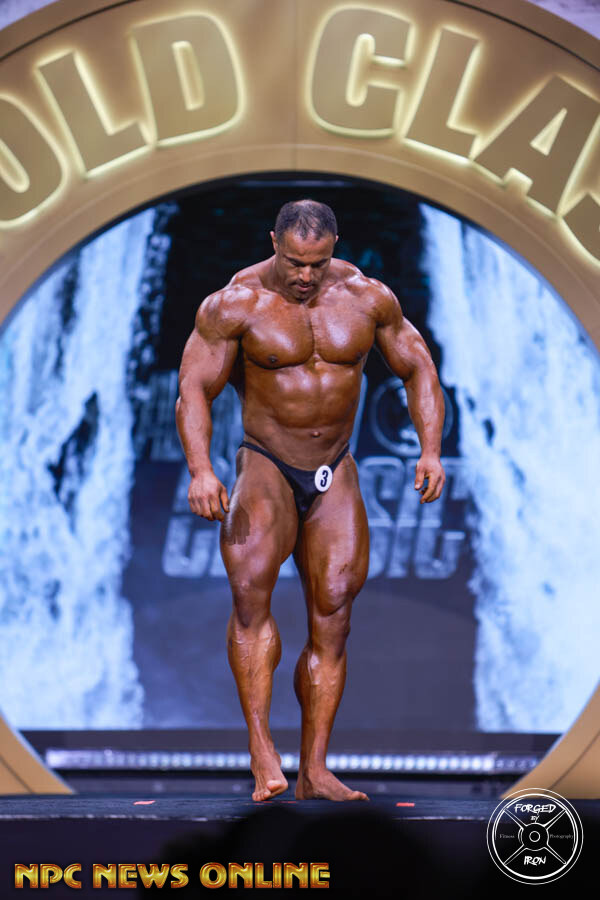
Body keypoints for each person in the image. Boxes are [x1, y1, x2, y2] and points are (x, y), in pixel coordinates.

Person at [176, 199, 445, 802]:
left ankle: (315, 770)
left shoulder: (367, 297)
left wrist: (430, 450)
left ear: (334, 249)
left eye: (317, 264)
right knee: (251, 597)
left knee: (335, 614)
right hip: (266, 462)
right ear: (273, 242)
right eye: (295, 262)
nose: (305, 275)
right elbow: (193, 387)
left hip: (334, 467)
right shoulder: (236, 304)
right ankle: (261, 750)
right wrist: (201, 470)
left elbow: (418, 368)